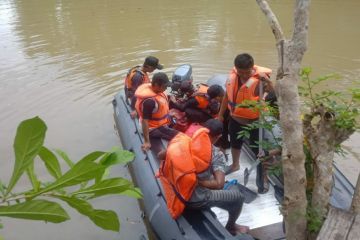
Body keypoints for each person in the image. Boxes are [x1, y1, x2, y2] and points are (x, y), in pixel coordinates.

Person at [158, 119, 249, 235]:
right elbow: (219, 184)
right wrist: (197, 182)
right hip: (195, 199)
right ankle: (231, 226)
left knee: (215, 183)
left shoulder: (184, 141)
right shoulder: (216, 154)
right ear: (219, 136)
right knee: (238, 197)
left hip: (177, 188)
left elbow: (160, 155)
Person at [218, 53, 274, 178]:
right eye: (240, 72)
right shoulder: (233, 78)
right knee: (235, 143)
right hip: (235, 118)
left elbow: (273, 92)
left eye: (247, 72)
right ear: (236, 69)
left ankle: (264, 175)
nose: (243, 75)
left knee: (257, 150)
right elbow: (227, 97)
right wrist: (221, 114)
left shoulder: (260, 80)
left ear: (252, 68)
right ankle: (235, 165)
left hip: (254, 121)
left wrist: (268, 81)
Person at [134, 72, 178, 151]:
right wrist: (147, 142)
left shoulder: (156, 92)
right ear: (157, 85)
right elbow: (145, 121)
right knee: (180, 136)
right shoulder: (149, 102)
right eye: (165, 86)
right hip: (153, 128)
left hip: (160, 122)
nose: (166, 88)